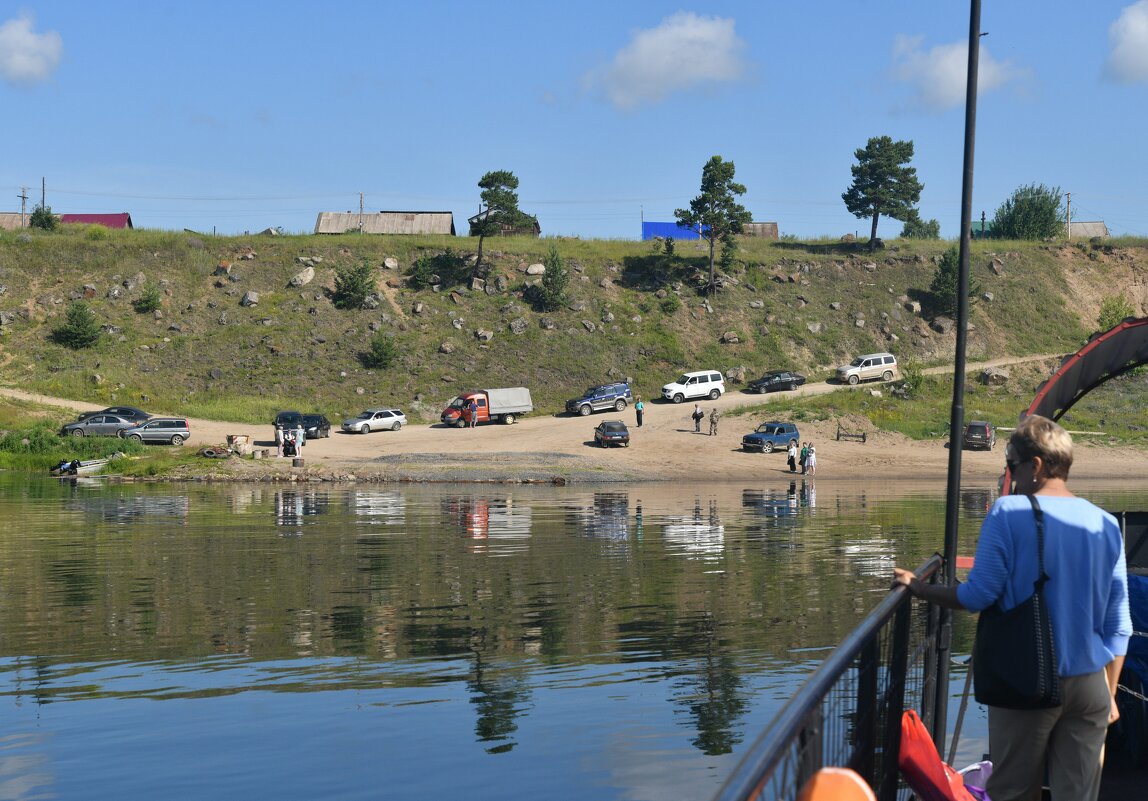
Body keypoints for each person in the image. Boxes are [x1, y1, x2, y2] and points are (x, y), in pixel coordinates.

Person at [893, 415, 1130, 801]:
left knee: (1014, 792)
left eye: (1011, 464)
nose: (1010, 473)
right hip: (1091, 685)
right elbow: (1118, 624)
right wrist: (1110, 694)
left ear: (1035, 466)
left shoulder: (1008, 513)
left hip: (1027, 680)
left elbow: (977, 597)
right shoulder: (1105, 524)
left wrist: (920, 588)